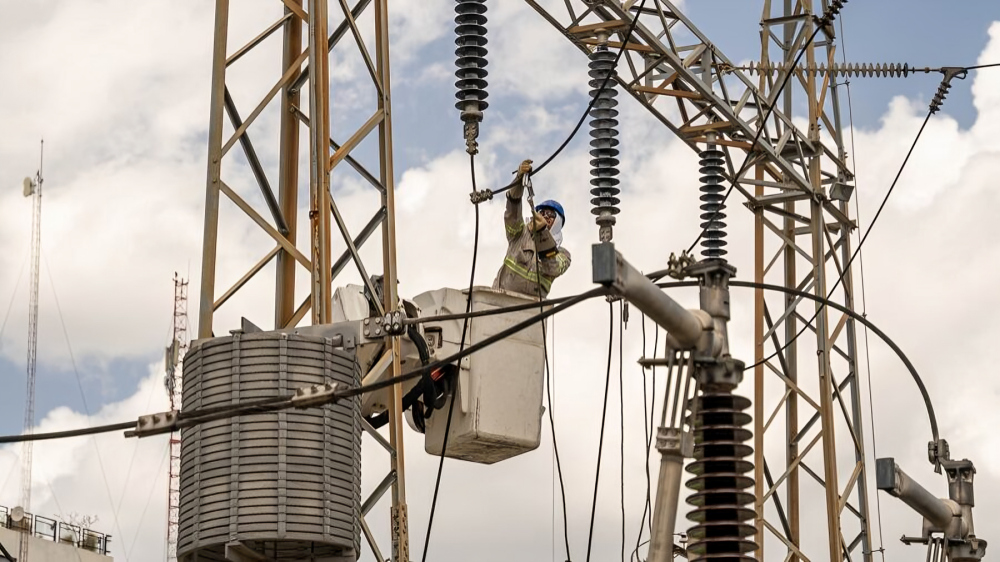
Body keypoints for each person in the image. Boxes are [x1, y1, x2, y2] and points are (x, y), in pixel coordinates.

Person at [493, 163, 571, 298]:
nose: (545, 216)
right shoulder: (520, 235)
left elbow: (552, 268)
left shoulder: (564, 255)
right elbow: (512, 213)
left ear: (558, 222)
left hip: (532, 311)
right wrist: (518, 182)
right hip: (501, 301)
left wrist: (542, 234)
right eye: (542, 212)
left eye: (550, 215)